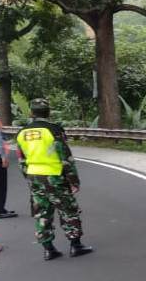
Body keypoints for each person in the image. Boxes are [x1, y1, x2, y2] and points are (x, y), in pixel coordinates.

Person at [14, 99, 94, 261]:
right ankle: (75, 245)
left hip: (34, 176)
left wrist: (29, 178)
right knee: (68, 210)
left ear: (31, 113)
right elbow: (65, 157)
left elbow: (21, 160)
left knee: (42, 213)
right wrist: (73, 180)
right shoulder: (54, 130)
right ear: (48, 112)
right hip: (54, 176)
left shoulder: (22, 133)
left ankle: (48, 249)